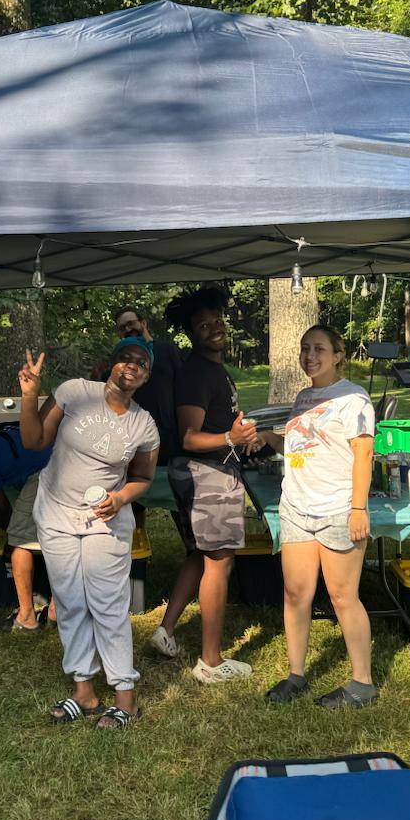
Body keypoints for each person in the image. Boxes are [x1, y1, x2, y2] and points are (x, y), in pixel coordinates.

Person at [19, 338, 159, 730]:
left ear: (146, 377)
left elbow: (143, 477)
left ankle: (125, 698)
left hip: (105, 520)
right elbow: (33, 442)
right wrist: (29, 397)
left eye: (141, 364)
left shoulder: (143, 424)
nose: (131, 367)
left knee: (107, 604)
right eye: (125, 359)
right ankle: (85, 691)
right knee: (69, 599)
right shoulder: (74, 393)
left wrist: (120, 498)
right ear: (111, 365)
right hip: (56, 511)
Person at [259, 325, 381, 708]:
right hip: (296, 507)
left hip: (337, 509)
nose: (310, 356)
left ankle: (362, 683)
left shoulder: (354, 399)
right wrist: (266, 437)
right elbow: (300, 447)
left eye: (319, 349)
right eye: (305, 348)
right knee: (296, 594)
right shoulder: (304, 396)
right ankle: (295, 674)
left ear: (338, 355)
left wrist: (358, 509)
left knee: (343, 596)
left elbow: (364, 456)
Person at [149, 285, 257, 684]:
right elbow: (190, 435)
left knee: (198, 554)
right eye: (202, 325)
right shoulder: (196, 372)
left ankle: (166, 630)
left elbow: (217, 425)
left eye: (216, 321)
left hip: (202, 472)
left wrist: (242, 435)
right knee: (219, 562)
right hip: (207, 475)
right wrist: (232, 439)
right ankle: (211, 663)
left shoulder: (213, 370)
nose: (213, 328)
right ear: (191, 334)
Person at [0, 425, 53, 632]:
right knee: (59, 537)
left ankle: (27, 618)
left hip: (48, 470)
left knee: (20, 543)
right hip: (68, 463)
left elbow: (2, 507)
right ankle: (57, 612)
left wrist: (9, 535)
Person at [113, 304, 184, 466]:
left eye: (131, 323)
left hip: (171, 433)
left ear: (143, 323)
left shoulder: (167, 350)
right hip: (138, 436)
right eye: (123, 327)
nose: (128, 329)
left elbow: (184, 387)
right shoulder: (119, 359)